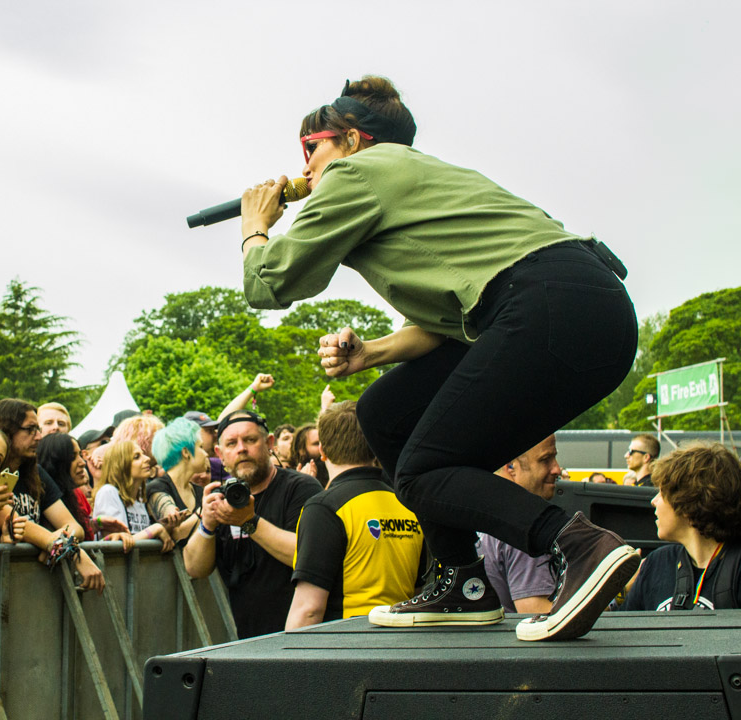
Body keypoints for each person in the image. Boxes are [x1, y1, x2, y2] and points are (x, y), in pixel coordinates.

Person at [239, 74, 639, 641]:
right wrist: (372, 353)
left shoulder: (358, 171)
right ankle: (464, 582)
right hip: (585, 312)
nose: (304, 169)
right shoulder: (427, 179)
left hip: (545, 305)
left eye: (312, 147)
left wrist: (256, 227)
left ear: (354, 140)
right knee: (386, 414)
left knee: (422, 467)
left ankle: (578, 543)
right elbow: (449, 323)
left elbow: (269, 284)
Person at [287, 401, 424, 629]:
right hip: (402, 642)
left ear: (322, 451)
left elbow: (308, 609)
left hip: (347, 646)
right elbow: (418, 591)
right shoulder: (408, 506)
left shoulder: (323, 508)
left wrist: (285, 662)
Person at [183, 411, 322, 638]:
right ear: (220, 454)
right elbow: (194, 568)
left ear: (269, 444)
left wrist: (248, 522)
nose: (241, 449)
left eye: (250, 440)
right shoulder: (223, 498)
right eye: (231, 443)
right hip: (248, 638)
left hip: (302, 637)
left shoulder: (301, 488)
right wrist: (207, 524)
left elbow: (306, 554)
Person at [0, 399, 104, 591]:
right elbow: (13, 521)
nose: (39, 437)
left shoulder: (36, 473)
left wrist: (55, 542)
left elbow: (75, 527)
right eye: (30, 429)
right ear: (7, 429)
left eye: (38, 429)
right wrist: (68, 550)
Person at [620, 443, 741, 611]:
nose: (653, 501)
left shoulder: (737, 567)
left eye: (661, 493)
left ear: (687, 503)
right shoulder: (657, 563)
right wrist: (621, 590)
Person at [476, 435, 563, 615]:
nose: (557, 469)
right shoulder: (525, 525)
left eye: (554, 457)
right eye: (545, 460)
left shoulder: (482, 509)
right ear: (510, 467)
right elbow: (536, 612)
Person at [37, 433, 129, 543]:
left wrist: (93, 525)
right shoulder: (45, 506)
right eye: (72, 457)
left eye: (80, 455)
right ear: (55, 462)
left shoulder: (71, 498)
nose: (82, 463)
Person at [92, 441, 173, 551]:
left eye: (143, 454)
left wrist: (166, 527)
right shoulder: (108, 492)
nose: (147, 459)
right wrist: (154, 530)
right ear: (120, 465)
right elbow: (116, 546)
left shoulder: (139, 499)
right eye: (137, 457)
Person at [149, 417, 209, 544]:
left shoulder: (200, 491)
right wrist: (206, 511)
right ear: (186, 452)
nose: (206, 454)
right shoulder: (157, 488)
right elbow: (176, 532)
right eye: (201, 447)